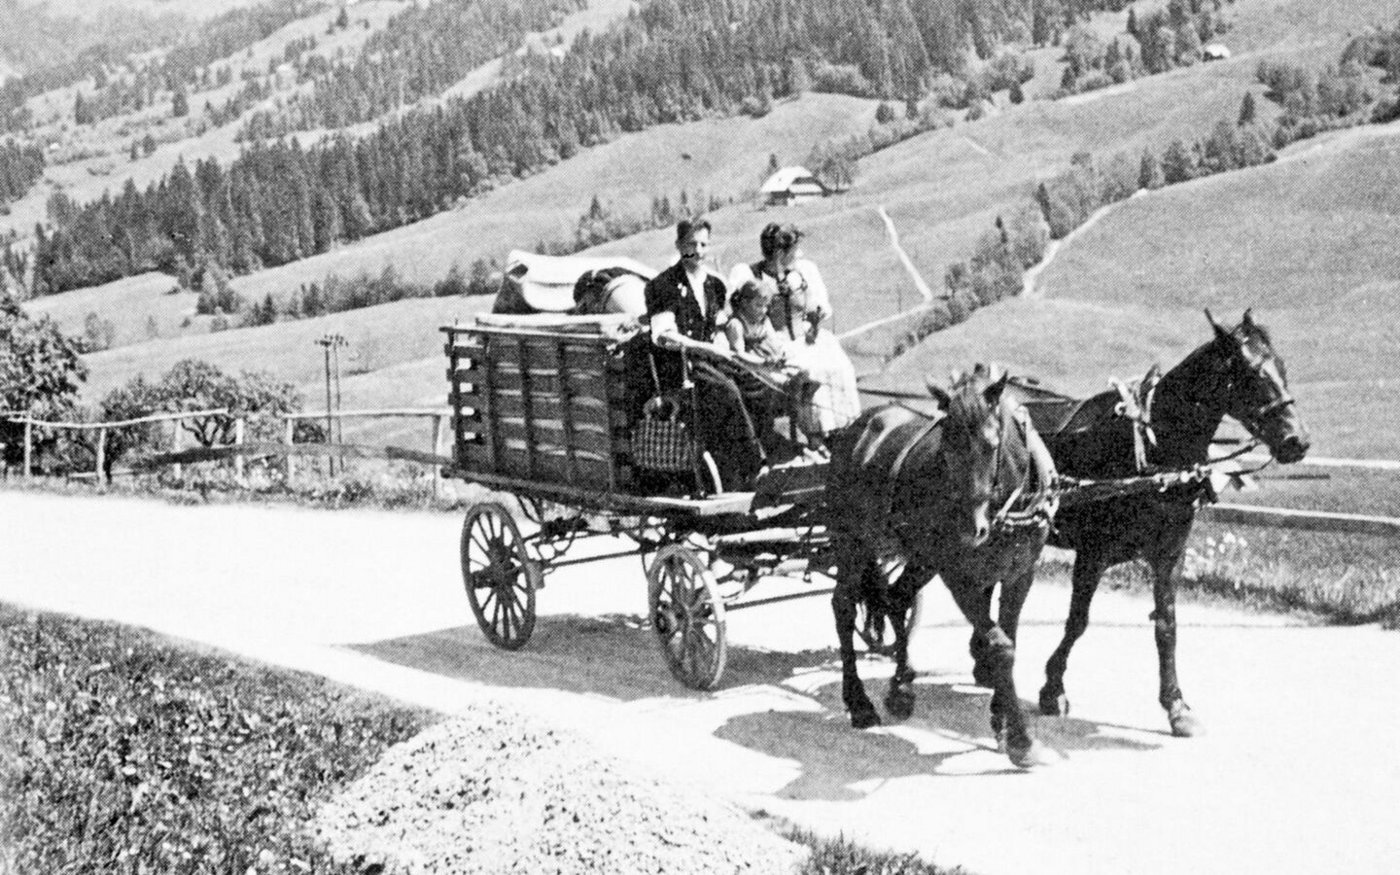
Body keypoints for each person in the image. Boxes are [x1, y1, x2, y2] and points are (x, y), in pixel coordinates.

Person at [642, 218, 782, 491]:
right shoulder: (664, 286)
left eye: (704, 244)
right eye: (691, 244)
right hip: (679, 366)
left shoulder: (714, 285)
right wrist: (707, 348)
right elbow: (663, 335)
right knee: (727, 390)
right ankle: (755, 465)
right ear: (679, 246)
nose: (698, 251)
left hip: (711, 361)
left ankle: (768, 454)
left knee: (758, 383)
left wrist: (739, 343)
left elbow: (720, 322)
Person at [728, 223, 861, 436]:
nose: (799, 255)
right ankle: (816, 435)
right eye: (794, 250)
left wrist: (813, 322)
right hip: (772, 347)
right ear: (781, 252)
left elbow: (818, 309)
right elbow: (740, 315)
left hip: (804, 340)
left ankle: (843, 430)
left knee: (841, 368)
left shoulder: (803, 272)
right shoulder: (750, 275)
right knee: (812, 374)